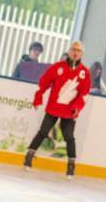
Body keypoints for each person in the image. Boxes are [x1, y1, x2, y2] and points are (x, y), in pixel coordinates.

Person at [22, 41, 91, 179]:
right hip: (53, 108)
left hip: (69, 111)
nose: (75, 52)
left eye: (78, 50)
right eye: (73, 49)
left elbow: (84, 93)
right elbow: (43, 82)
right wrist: (38, 98)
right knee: (42, 132)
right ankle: (29, 157)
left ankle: (71, 165)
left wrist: (77, 107)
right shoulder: (57, 67)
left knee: (69, 137)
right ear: (69, 51)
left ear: (82, 54)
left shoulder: (84, 72)